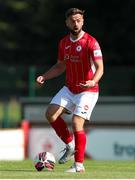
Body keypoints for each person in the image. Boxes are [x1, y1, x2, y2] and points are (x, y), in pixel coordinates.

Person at [36, 8, 104, 173]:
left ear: (83, 21)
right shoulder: (63, 43)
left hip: (88, 90)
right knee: (50, 114)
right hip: (69, 88)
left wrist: (92, 81)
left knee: (76, 122)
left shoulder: (91, 42)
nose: (76, 23)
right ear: (67, 22)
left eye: (79, 20)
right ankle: (70, 144)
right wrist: (44, 76)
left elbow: (100, 68)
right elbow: (60, 66)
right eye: (72, 20)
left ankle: (79, 166)